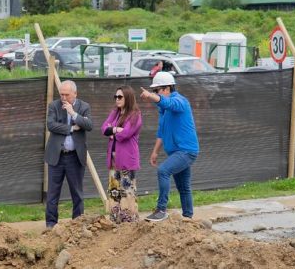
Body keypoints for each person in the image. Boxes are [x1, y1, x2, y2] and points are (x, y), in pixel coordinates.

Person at [139, 71, 200, 221]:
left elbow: (168, 102)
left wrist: (150, 96)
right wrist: (155, 152)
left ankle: (161, 209)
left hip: (186, 151)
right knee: (183, 187)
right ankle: (188, 217)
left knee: (163, 171)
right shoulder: (164, 110)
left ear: (166, 88)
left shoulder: (180, 101)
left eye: (156, 90)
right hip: (177, 152)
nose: (154, 94)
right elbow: (161, 132)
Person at [45, 79, 93, 228]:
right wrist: (71, 128)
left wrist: (73, 114)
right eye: (61, 94)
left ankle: (78, 224)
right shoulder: (54, 106)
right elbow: (51, 125)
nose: (63, 98)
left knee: (77, 193)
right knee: (53, 194)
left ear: (75, 94)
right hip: (57, 156)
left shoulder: (84, 107)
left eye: (67, 95)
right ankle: (51, 224)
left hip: (75, 156)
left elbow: (89, 125)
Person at [101, 85, 142, 223]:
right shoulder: (115, 112)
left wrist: (113, 131)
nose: (117, 100)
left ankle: (129, 221)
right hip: (113, 160)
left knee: (127, 190)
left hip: (127, 160)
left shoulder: (135, 115)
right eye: (115, 97)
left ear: (127, 98)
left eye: (120, 97)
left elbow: (125, 134)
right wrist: (116, 129)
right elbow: (103, 129)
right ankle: (114, 220)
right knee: (114, 191)